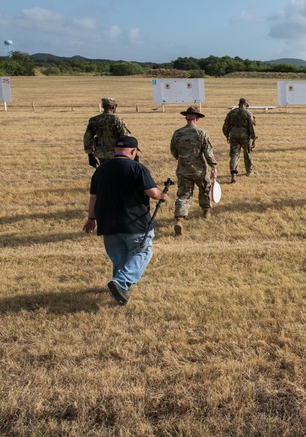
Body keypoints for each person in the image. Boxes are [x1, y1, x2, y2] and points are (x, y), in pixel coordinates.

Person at [83, 135, 167, 305]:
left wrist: (92, 218)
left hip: (108, 224)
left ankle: (120, 290)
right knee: (142, 252)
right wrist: (162, 195)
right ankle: (120, 283)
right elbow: (152, 193)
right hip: (135, 222)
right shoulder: (137, 168)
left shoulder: (100, 170)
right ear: (133, 151)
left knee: (120, 257)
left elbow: (93, 198)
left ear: (115, 151)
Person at [170, 106, 217, 235]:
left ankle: (179, 219)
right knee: (205, 190)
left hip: (183, 169)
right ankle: (206, 211)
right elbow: (208, 152)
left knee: (184, 195)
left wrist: (182, 160)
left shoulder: (177, 133)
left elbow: (173, 150)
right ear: (197, 119)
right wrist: (213, 166)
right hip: (199, 170)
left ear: (186, 118)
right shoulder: (202, 133)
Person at [83, 97, 131, 167]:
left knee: (105, 173)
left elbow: (87, 138)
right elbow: (126, 137)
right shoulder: (117, 119)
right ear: (113, 106)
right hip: (117, 153)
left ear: (102, 106)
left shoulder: (93, 120)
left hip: (101, 154)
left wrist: (90, 155)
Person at [222, 98, 257, 181]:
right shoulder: (248, 113)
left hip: (234, 137)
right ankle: (249, 171)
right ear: (246, 105)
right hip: (245, 137)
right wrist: (254, 138)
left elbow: (225, 126)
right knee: (247, 154)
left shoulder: (231, 113)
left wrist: (227, 135)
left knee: (234, 155)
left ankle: (233, 173)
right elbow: (251, 127)